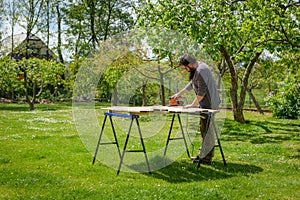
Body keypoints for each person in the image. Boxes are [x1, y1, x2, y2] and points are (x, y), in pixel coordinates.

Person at [172, 54, 220, 164]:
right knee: (204, 129)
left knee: (207, 131)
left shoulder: (201, 70)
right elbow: (192, 84)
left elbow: (201, 92)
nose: (186, 70)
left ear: (190, 64)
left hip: (210, 104)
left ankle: (206, 158)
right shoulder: (197, 69)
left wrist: (192, 105)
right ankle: (203, 155)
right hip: (205, 104)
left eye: (185, 68)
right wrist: (178, 94)